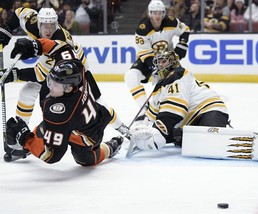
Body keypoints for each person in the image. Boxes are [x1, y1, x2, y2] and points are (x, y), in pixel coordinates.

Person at [128, 50, 258, 161]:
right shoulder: (159, 89)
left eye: (164, 61)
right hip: (191, 120)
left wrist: (159, 134)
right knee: (186, 141)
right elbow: (154, 118)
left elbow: (174, 112)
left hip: (208, 109)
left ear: (173, 62)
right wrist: (141, 132)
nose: (160, 65)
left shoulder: (178, 75)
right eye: (158, 62)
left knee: (213, 142)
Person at [0, 6, 126, 134]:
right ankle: (19, 135)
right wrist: (7, 28)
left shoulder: (58, 41)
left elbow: (39, 75)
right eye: (45, 25)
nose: (49, 30)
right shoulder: (31, 21)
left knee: (97, 102)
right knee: (26, 92)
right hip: (52, 66)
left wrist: (14, 74)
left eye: (52, 25)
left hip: (75, 67)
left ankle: (123, 129)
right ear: (38, 23)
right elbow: (19, 12)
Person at [5, 38, 124, 165]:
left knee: (85, 160)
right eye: (51, 80)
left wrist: (25, 140)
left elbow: (51, 156)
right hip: (96, 115)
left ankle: (111, 147)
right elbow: (63, 47)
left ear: (68, 88)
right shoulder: (78, 69)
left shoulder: (61, 113)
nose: (50, 86)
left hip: (85, 137)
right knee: (45, 126)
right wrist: (36, 45)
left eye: (56, 85)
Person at [124, 0, 190, 119]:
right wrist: (154, 67)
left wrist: (182, 45)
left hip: (167, 60)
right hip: (148, 60)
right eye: (154, 13)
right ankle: (145, 110)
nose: (158, 16)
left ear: (164, 13)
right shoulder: (142, 29)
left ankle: (172, 109)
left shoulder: (171, 22)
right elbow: (145, 53)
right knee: (130, 76)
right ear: (150, 13)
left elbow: (185, 30)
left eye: (160, 13)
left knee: (174, 85)